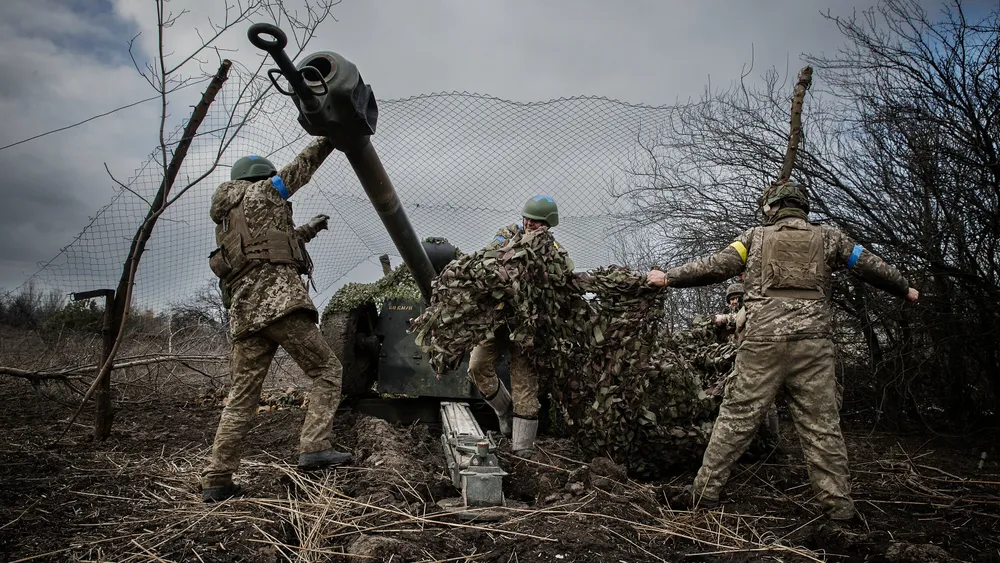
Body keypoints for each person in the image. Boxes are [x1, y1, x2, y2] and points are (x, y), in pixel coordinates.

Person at [646, 180, 918, 521]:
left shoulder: (754, 238)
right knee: (821, 427)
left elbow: (715, 265)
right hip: (812, 346)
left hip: (762, 345)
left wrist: (669, 277)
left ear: (771, 208)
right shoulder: (830, 238)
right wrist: (904, 288)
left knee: (736, 418)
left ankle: (705, 492)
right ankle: (839, 508)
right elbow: (869, 264)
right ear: (802, 207)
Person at [201, 138, 353, 502]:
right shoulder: (264, 192)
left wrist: (309, 229)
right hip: (278, 304)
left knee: (241, 398)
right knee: (328, 370)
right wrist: (330, 137)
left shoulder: (227, 218)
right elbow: (300, 168)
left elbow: (274, 243)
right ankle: (315, 446)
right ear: (261, 177)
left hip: (244, 316)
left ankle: (217, 479)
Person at [469, 195, 572, 457]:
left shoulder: (556, 251)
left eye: (535, 222)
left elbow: (563, 278)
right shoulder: (507, 235)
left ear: (547, 225)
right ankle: (503, 410)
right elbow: (490, 258)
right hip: (497, 318)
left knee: (525, 387)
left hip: (528, 327)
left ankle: (523, 452)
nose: (528, 224)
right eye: (527, 218)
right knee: (477, 365)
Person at [714, 283, 780, 453]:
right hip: (739, 367)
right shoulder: (733, 319)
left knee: (767, 403)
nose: (734, 302)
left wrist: (724, 319)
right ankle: (753, 444)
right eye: (731, 299)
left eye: (737, 298)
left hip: (759, 363)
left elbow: (742, 318)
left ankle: (773, 444)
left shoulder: (754, 310)